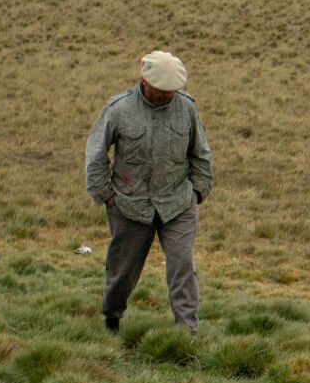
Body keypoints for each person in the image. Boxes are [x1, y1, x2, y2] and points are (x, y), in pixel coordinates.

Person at [85, 50, 214, 333]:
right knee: (122, 272)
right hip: (129, 206)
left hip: (178, 204)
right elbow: (95, 154)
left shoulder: (187, 107)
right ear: (144, 81)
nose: (168, 95)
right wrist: (107, 196)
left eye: (172, 91)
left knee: (182, 267)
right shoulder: (118, 109)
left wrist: (198, 193)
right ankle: (111, 319)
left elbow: (201, 153)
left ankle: (186, 332)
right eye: (162, 90)